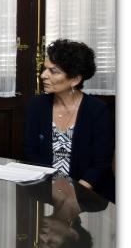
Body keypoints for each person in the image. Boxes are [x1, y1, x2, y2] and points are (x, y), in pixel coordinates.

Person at [24, 39, 115, 202]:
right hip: (46, 193)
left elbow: (100, 165)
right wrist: (51, 192)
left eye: (54, 71)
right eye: (45, 69)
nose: (43, 75)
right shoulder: (36, 106)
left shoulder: (98, 111)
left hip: (89, 197)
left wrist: (74, 196)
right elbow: (31, 152)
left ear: (75, 79)